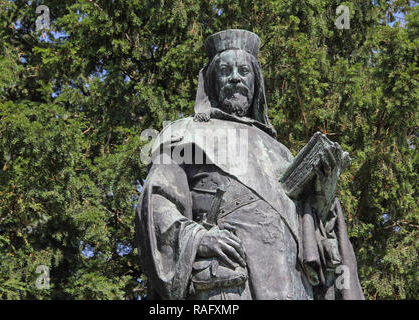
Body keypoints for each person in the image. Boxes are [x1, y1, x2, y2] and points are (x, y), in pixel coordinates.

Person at [135, 29, 364, 300]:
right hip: (230, 283)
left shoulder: (281, 153)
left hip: (292, 284)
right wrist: (199, 238)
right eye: (225, 71)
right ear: (211, 79)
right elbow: (156, 204)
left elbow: (313, 239)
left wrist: (323, 195)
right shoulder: (183, 133)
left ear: (256, 81)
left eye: (244, 71)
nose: (235, 77)